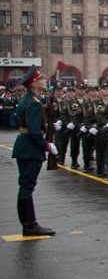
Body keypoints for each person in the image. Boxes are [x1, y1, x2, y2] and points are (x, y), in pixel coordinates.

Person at [11, 68, 58, 236]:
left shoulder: (27, 100)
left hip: (24, 146)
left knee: (25, 185)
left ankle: (29, 224)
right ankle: (30, 225)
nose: (45, 81)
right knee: (27, 186)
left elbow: (17, 122)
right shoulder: (34, 103)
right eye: (42, 79)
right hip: (30, 149)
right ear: (35, 84)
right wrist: (47, 145)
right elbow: (33, 131)